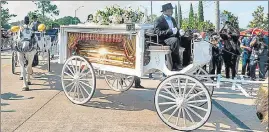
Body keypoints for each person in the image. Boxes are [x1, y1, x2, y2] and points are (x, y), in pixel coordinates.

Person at [153, 3, 183, 70]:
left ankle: (187, 62)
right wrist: (170, 31)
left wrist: (180, 31)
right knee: (174, 40)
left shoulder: (172, 19)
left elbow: (175, 29)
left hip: (174, 37)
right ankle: (175, 63)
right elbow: (157, 32)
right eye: (170, 10)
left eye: (172, 10)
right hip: (163, 40)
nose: (172, 11)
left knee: (187, 39)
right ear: (165, 11)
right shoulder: (158, 20)